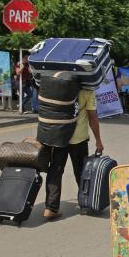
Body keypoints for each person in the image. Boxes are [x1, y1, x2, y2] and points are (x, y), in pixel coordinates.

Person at [43, 86, 104, 219]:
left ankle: (51, 207)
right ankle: (85, 203)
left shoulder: (56, 85)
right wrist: (98, 140)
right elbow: (92, 117)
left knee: (55, 171)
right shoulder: (88, 90)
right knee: (81, 172)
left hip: (58, 137)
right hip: (78, 139)